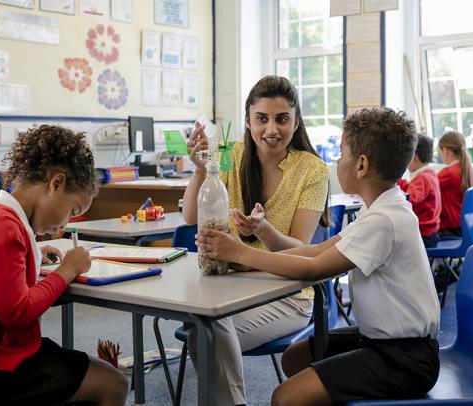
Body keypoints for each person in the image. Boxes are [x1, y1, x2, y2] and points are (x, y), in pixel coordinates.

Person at [197, 107, 441, 406]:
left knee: (285, 398)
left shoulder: (384, 221)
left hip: (403, 358)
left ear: (361, 165)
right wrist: (247, 257)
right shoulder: (379, 209)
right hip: (385, 342)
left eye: (341, 153)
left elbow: (314, 268)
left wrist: (241, 250)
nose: (337, 161)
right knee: (295, 358)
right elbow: (314, 250)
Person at [0, 125, 128, 406]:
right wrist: (68, 270)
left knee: (76, 366)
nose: (66, 223)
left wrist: (30, 251)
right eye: (72, 210)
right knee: (113, 383)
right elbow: (17, 314)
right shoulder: (5, 228)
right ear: (56, 184)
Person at [182, 75, 330, 405]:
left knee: (207, 329)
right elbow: (190, 217)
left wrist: (262, 231)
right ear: (248, 121)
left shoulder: (312, 170)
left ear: (295, 121)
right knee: (205, 326)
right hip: (229, 285)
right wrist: (197, 170)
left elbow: (302, 253)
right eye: (262, 119)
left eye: (282, 119)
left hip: (289, 293)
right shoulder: (231, 155)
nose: (271, 129)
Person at [397, 133, 441, 248]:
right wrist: (398, 181)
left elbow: (409, 200)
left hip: (423, 235)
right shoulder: (429, 173)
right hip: (431, 234)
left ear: (413, 157)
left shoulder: (422, 179)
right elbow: (413, 189)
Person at [437, 131, 473, 236]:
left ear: (446, 151)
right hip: (461, 225)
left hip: (448, 227)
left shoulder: (448, 173)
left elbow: (429, 186)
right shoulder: (467, 169)